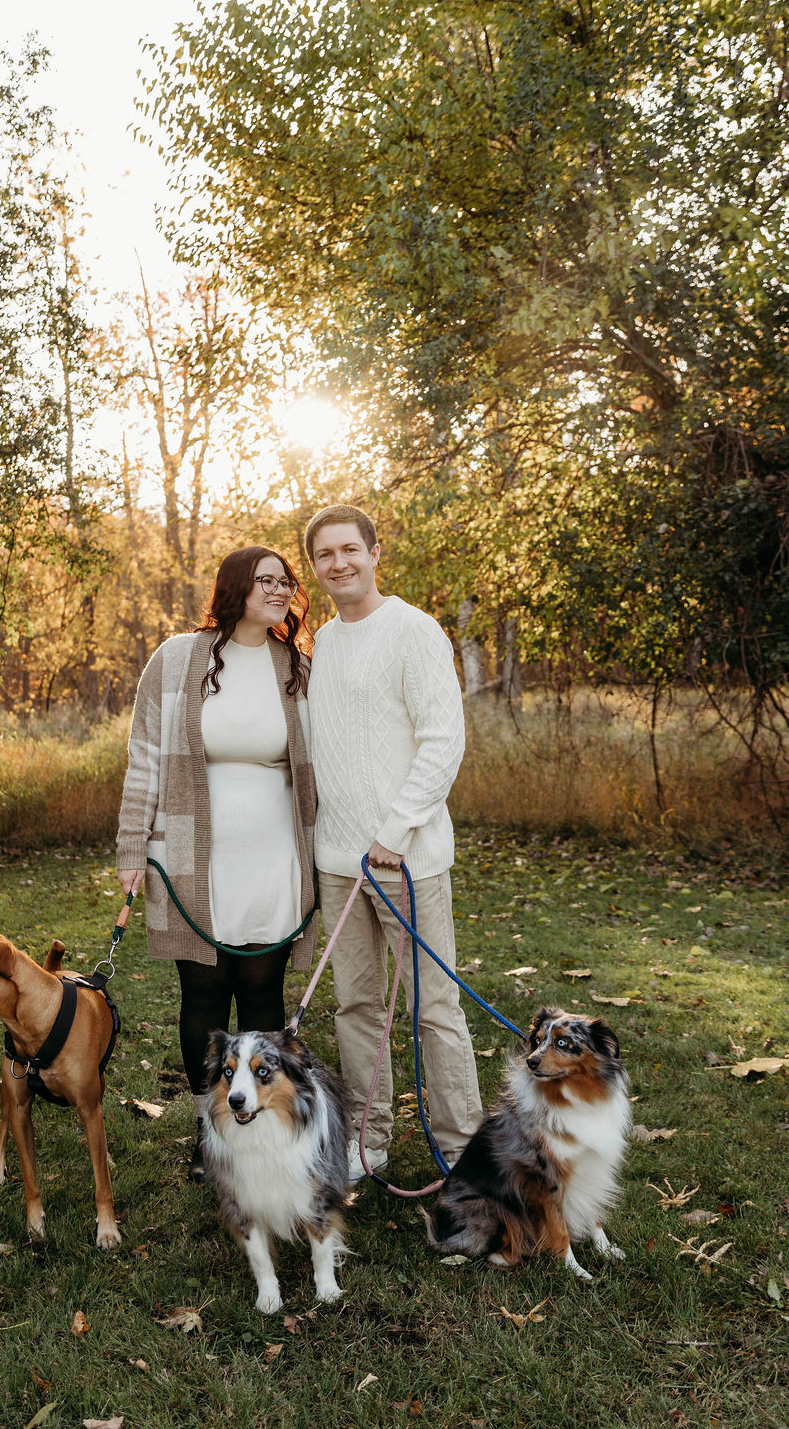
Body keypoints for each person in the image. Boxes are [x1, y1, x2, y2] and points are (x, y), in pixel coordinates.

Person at [116, 546, 318, 1181]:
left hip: (275, 859)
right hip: (188, 856)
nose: (280, 590)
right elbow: (144, 756)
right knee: (202, 993)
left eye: (286, 582)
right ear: (235, 587)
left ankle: (256, 1133)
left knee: (261, 995)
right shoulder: (177, 659)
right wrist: (130, 848)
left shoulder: (298, 667)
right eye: (266, 581)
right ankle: (210, 1135)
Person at [303, 503, 482, 1181]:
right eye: (326, 555)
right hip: (339, 863)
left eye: (351, 549)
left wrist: (395, 830)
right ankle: (367, 1140)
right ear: (316, 567)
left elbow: (443, 741)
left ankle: (463, 1148)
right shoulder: (324, 640)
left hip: (407, 861)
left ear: (375, 553)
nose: (340, 563)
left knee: (432, 1006)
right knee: (356, 1005)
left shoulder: (414, 630)